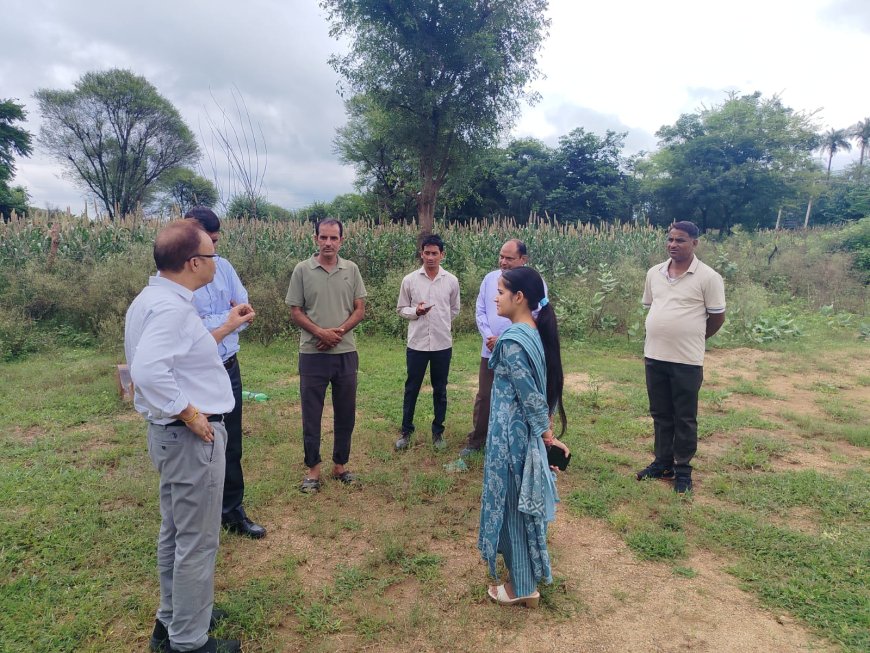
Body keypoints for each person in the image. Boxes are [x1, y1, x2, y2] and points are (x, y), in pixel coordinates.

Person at [126, 220, 254, 653]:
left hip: (169, 438)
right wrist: (191, 413)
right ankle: (188, 640)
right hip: (188, 439)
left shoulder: (154, 299)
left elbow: (184, 354)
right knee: (197, 541)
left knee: (176, 533)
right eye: (212, 254)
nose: (217, 261)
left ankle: (174, 617)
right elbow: (147, 372)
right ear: (194, 262)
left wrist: (226, 327)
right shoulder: (173, 309)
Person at [478, 266, 569, 608]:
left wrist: (547, 436)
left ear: (519, 297)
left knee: (513, 507)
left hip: (511, 439)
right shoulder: (532, 333)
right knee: (521, 507)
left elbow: (529, 395)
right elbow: (542, 391)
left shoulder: (513, 341)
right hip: (521, 435)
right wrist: (545, 432)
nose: (495, 298)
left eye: (501, 291)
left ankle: (522, 587)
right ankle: (523, 577)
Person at [185, 207, 265, 540]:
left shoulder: (225, 267)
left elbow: (245, 312)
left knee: (230, 442)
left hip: (228, 365)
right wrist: (227, 320)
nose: (213, 250)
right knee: (197, 444)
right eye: (209, 242)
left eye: (217, 242)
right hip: (194, 373)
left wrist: (225, 321)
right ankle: (198, 516)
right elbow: (188, 329)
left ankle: (232, 511)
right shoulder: (174, 277)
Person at [637, 221, 726, 494]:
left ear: (694, 243)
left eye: (680, 240)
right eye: (670, 239)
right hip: (655, 355)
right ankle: (662, 463)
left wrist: (695, 337)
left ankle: (683, 470)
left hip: (687, 360)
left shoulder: (708, 277)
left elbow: (717, 317)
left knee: (684, 417)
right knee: (660, 413)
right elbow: (653, 306)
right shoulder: (654, 273)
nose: (673, 244)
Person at [285, 219, 367, 494]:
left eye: (333, 238)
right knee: (311, 413)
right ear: (315, 239)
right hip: (313, 353)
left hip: (345, 352)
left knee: (346, 412)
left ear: (341, 240)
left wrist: (337, 333)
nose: (328, 243)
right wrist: (320, 333)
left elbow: (359, 309)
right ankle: (313, 469)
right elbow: (296, 311)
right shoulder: (302, 270)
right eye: (323, 237)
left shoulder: (351, 269)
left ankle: (340, 465)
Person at [460, 239, 547, 457]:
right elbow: (480, 310)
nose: (503, 262)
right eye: (501, 256)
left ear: (523, 259)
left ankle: (520, 441)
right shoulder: (490, 279)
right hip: (490, 349)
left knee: (518, 396)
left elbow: (537, 313)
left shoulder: (533, 281)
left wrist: (505, 338)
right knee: (485, 395)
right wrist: (489, 337)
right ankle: (477, 440)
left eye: (509, 258)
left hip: (518, 347)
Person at [394, 234, 461, 451]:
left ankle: (438, 432)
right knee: (411, 388)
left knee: (440, 389)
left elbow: (454, 309)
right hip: (417, 344)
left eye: (434, 253)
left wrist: (440, 322)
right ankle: (406, 431)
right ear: (421, 254)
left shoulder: (451, 281)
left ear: (442, 255)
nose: (430, 257)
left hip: (442, 344)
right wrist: (416, 311)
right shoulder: (410, 280)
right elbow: (401, 309)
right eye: (426, 253)